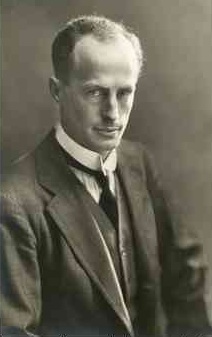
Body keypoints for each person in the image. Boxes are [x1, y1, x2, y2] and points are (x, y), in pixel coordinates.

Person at [1, 15, 211, 337]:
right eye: (96, 93)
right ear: (57, 90)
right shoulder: (14, 202)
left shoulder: (138, 162)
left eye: (124, 93)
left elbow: (187, 282)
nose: (113, 113)